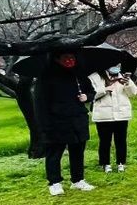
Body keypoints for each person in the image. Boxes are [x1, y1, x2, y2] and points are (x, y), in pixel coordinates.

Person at [34, 51, 96, 195]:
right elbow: (40, 103)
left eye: (72, 57)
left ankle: (78, 180)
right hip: (56, 121)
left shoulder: (79, 74)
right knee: (54, 153)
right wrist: (44, 125)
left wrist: (87, 97)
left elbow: (92, 92)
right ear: (57, 59)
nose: (70, 60)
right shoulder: (46, 77)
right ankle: (54, 182)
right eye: (66, 58)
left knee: (78, 151)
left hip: (78, 119)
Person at [90, 65, 137, 172]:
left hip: (121, 115)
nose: (115, 67)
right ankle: (105, 163)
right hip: (104, 115)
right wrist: (106, 88)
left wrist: (127, 83)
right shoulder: (96, 76)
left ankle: (121, 163)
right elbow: (91, 95)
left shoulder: (122, 76)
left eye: (117, 65)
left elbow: (133, 92)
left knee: (121, 140)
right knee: (105, 141)